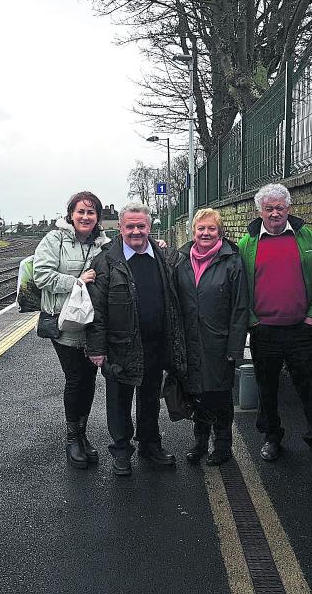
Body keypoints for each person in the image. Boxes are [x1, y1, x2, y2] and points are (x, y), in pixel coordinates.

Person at [237, 183, 312, 466]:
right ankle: (271, 437)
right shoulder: (247, 244)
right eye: (269, 208)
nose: (275, 213)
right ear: (260, 212)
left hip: (301, 330)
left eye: (280, 207)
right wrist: (252, 322)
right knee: (266, 389)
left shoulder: (309, 239)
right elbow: (240, 287)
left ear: (289, 209)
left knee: (311, 389)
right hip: (263, 331)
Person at [87, 203, 187, 476]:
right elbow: (96, 311)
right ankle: (121, 450)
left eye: (141, 226)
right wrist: (97, 349)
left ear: (149, 227)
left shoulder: (163, 256)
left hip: (156, 344)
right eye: (129, 226)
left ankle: (149, 444)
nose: (135, 231)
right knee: (119, 401)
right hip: (120, 347)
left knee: (150, 398)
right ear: (120, 228)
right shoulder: (106, 261)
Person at [33, 191, 111, 469]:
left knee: (89, 380)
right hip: (63, 321)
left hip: (90, 324)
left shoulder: (104, 244)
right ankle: (72, 438)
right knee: (75, 378)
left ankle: (82, 434)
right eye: (81, 212)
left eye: (91, 213)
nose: (85, 217)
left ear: (98, 218)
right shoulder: (55, 239)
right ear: (71, 214)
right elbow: (41, 275)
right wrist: (76, 281)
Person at [174, 209, 248, 466]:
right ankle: (200, 442)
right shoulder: (181, 260)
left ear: (220, 232)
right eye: (201, 229)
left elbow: (240, 307)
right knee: (197, 394)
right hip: (189, 340)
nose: (205, 233)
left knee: (219, 396)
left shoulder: (232, 261)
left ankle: (224, 445)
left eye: (211, 229)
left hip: (219, 341)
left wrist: (235, 347)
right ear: (193, 231)